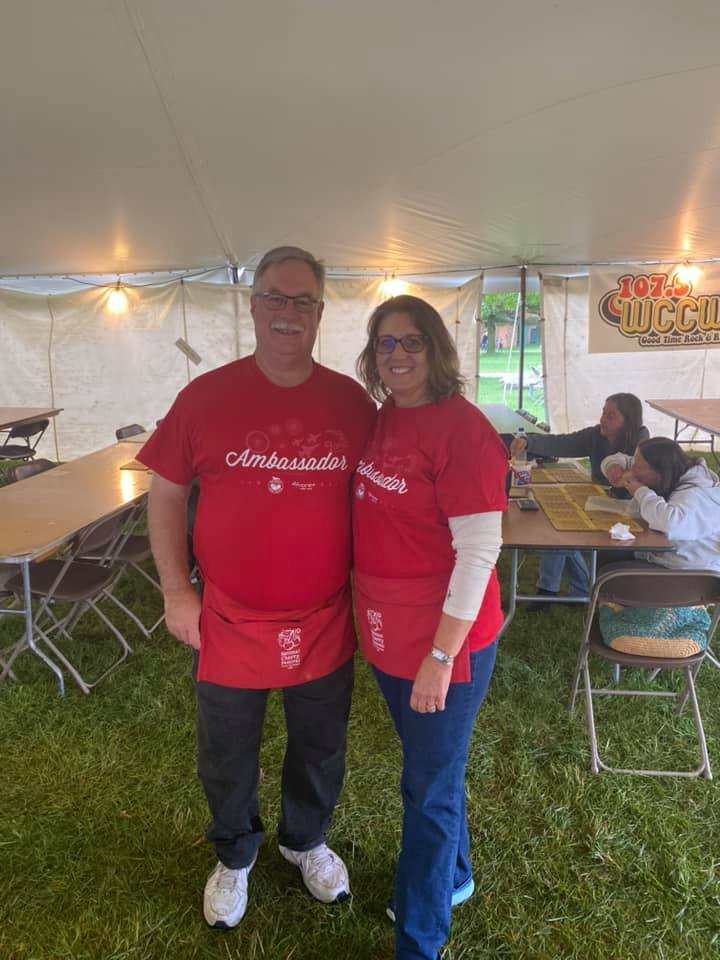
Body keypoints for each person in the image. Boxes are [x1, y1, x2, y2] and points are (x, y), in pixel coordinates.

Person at [137, 246, 376, 930]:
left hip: (325, 616)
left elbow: (385, 493)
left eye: (302, 301)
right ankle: (235, 854)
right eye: (275, 296)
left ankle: (305, 840)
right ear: (253, 305)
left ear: (321, 314)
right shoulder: (205, 397)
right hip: (229, 618)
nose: (287, 312)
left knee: (321, 742)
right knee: (227, 748)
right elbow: (166, 495)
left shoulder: (350, 403)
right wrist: (176, 592)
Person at [352, 295, 508, 960]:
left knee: (427, 786)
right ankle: (456, 876)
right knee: (435, 772)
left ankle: (419, 942)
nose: (398, 354)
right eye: (385, 343)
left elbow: (479, 552)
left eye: (412, 341)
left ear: (436, 348)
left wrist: (442, 656)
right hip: (391, 630)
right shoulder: (386, 417)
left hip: (447, 640)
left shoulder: (462, 429)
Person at [509, 393, 648, 611]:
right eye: (603, 413)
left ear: (627, 422)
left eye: (611, 416)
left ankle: (556, 591)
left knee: (562, 532)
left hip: (630, 516)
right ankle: (573, 590)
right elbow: (561, 443)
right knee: (559, 526)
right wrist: (529, 441)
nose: (603, 419)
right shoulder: (595, 436)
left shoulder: (643, 447)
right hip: (599, 502)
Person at [601, 437, 720, 572]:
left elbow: (671, 524)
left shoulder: (695, 494)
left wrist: (640, 491)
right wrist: (613, 464)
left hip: (688, 571)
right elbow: (627, 462)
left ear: (661, 471)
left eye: (639, 467)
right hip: (667, 558)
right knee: (610, 553)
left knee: (610, 570)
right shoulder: (675, 474)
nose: (633, 470)